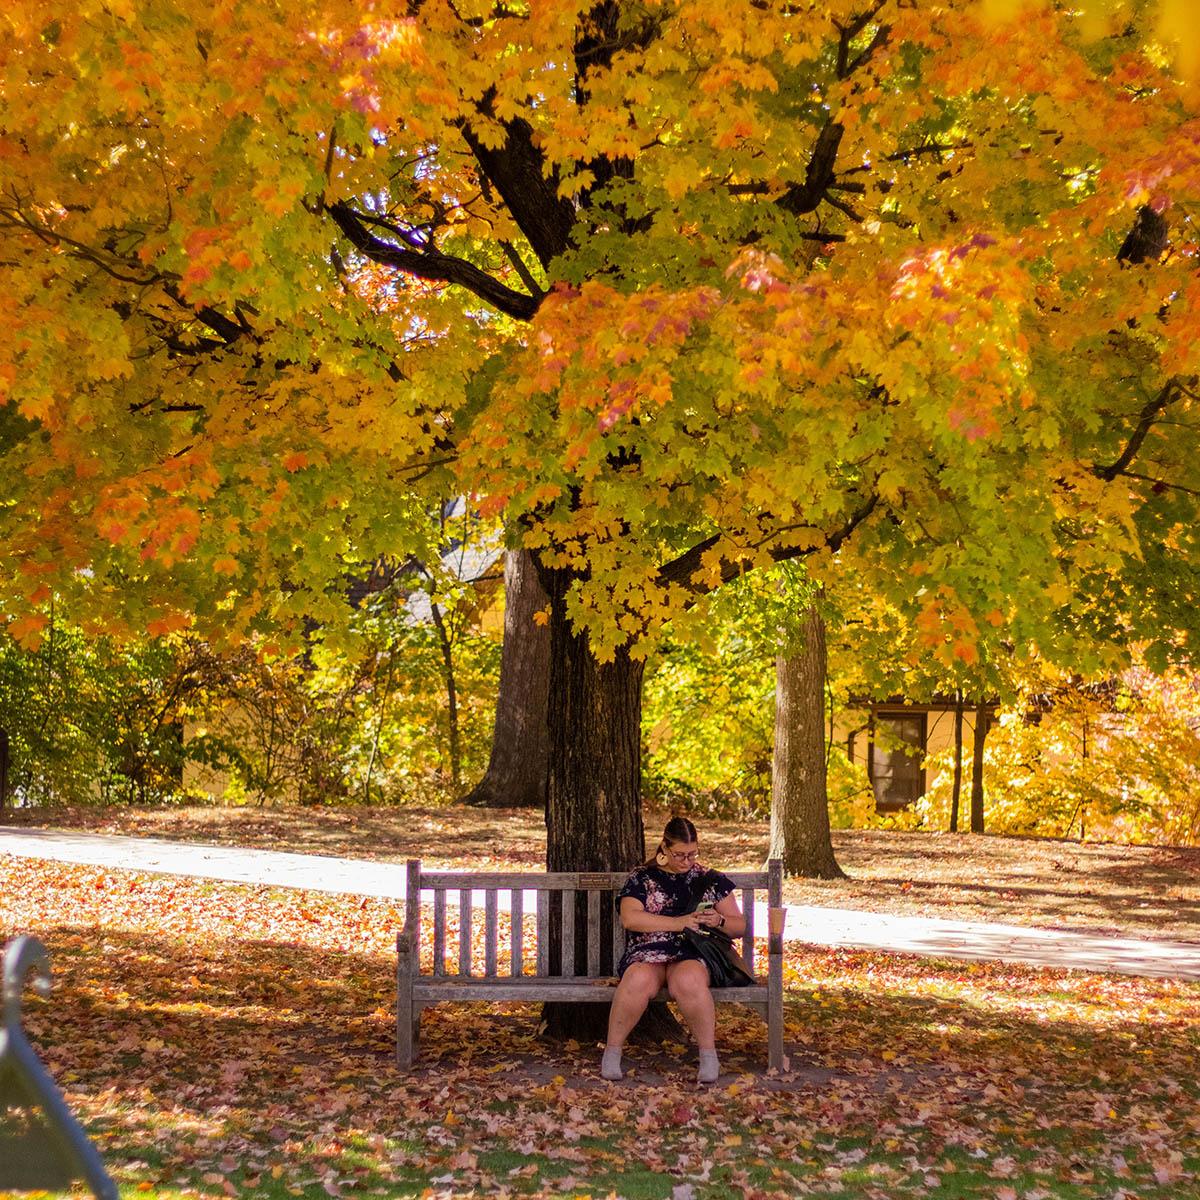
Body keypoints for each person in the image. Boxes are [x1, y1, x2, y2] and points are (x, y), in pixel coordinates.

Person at [600, 816, 746, 1084]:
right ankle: (612, 1053)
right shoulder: (643, 877)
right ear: (664, 848)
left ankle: (709, 1056)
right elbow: (630, 919)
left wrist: (720, 921)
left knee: (688, 981)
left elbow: (740, 926)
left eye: (692, 854)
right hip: (649, 949)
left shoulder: (708, 879)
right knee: (637, 979)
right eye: (679, 854)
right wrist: (678, 923)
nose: (686, 861)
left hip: (691, 951)